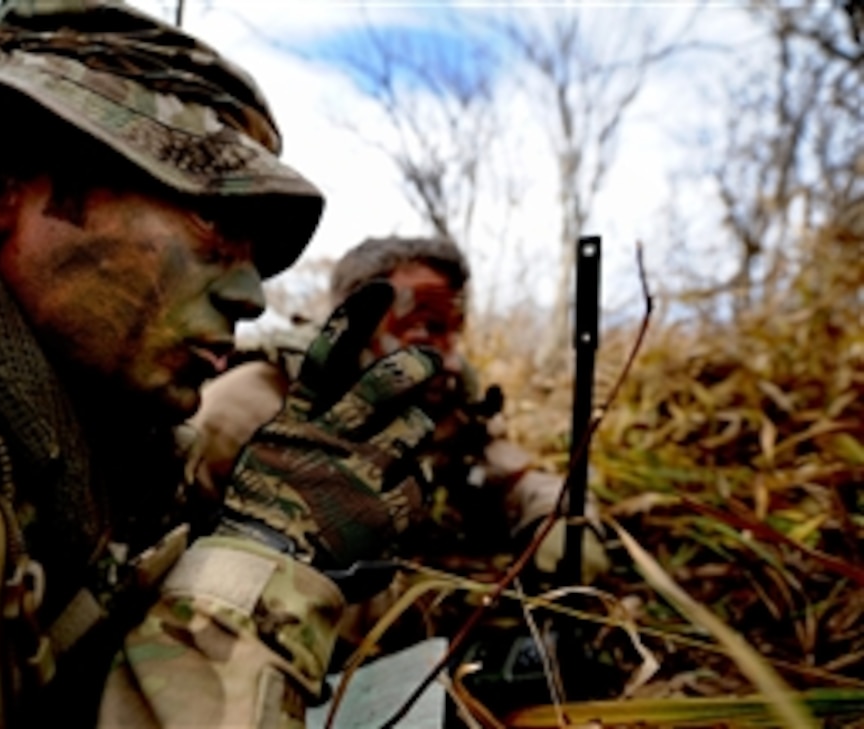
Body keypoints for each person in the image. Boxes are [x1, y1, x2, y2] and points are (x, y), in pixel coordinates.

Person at [0, 2, 443, 727]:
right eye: (215, 221)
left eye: (260, 255)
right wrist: (259, 556)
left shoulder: (72, 426)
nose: (253, 295)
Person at [191, 235, 608, 620]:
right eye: (424, 329)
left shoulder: (441, 401)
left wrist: (560, 523)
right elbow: (218, 578)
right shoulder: (249, 410)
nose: (448, 358)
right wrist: (439, 608)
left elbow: (515, 477)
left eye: (452, 332)